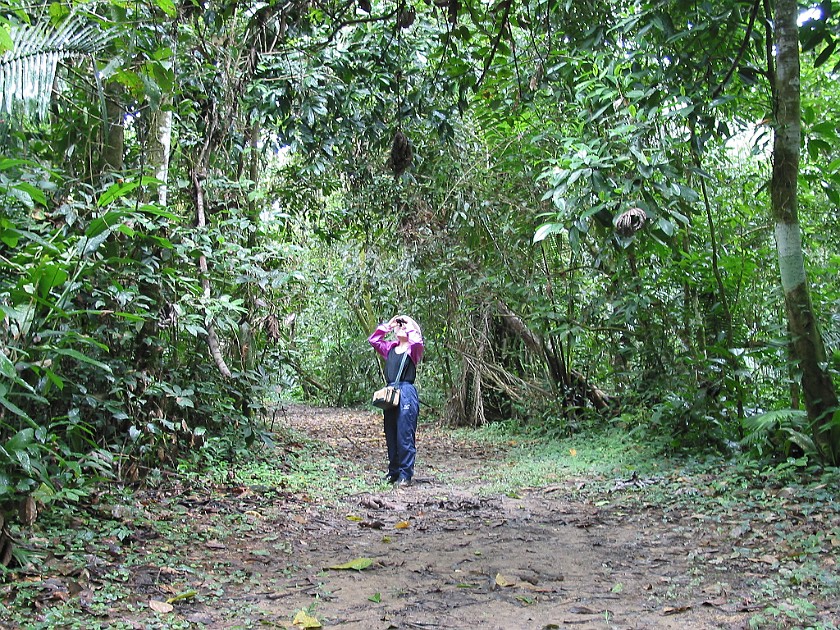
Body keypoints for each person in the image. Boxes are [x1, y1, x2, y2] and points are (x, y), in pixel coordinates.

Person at [368, 315, 424, 488]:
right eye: (400, 326)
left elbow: (417, 342)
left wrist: (408, 324)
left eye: (404, 326)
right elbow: (374, 340)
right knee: (391, 434)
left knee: (404, 435)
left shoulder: (413, 350)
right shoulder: (390, 348)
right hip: (391, 392)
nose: (401, 327)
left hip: (406, 392)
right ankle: (394, 472)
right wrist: (389, 325)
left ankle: (406, 474)